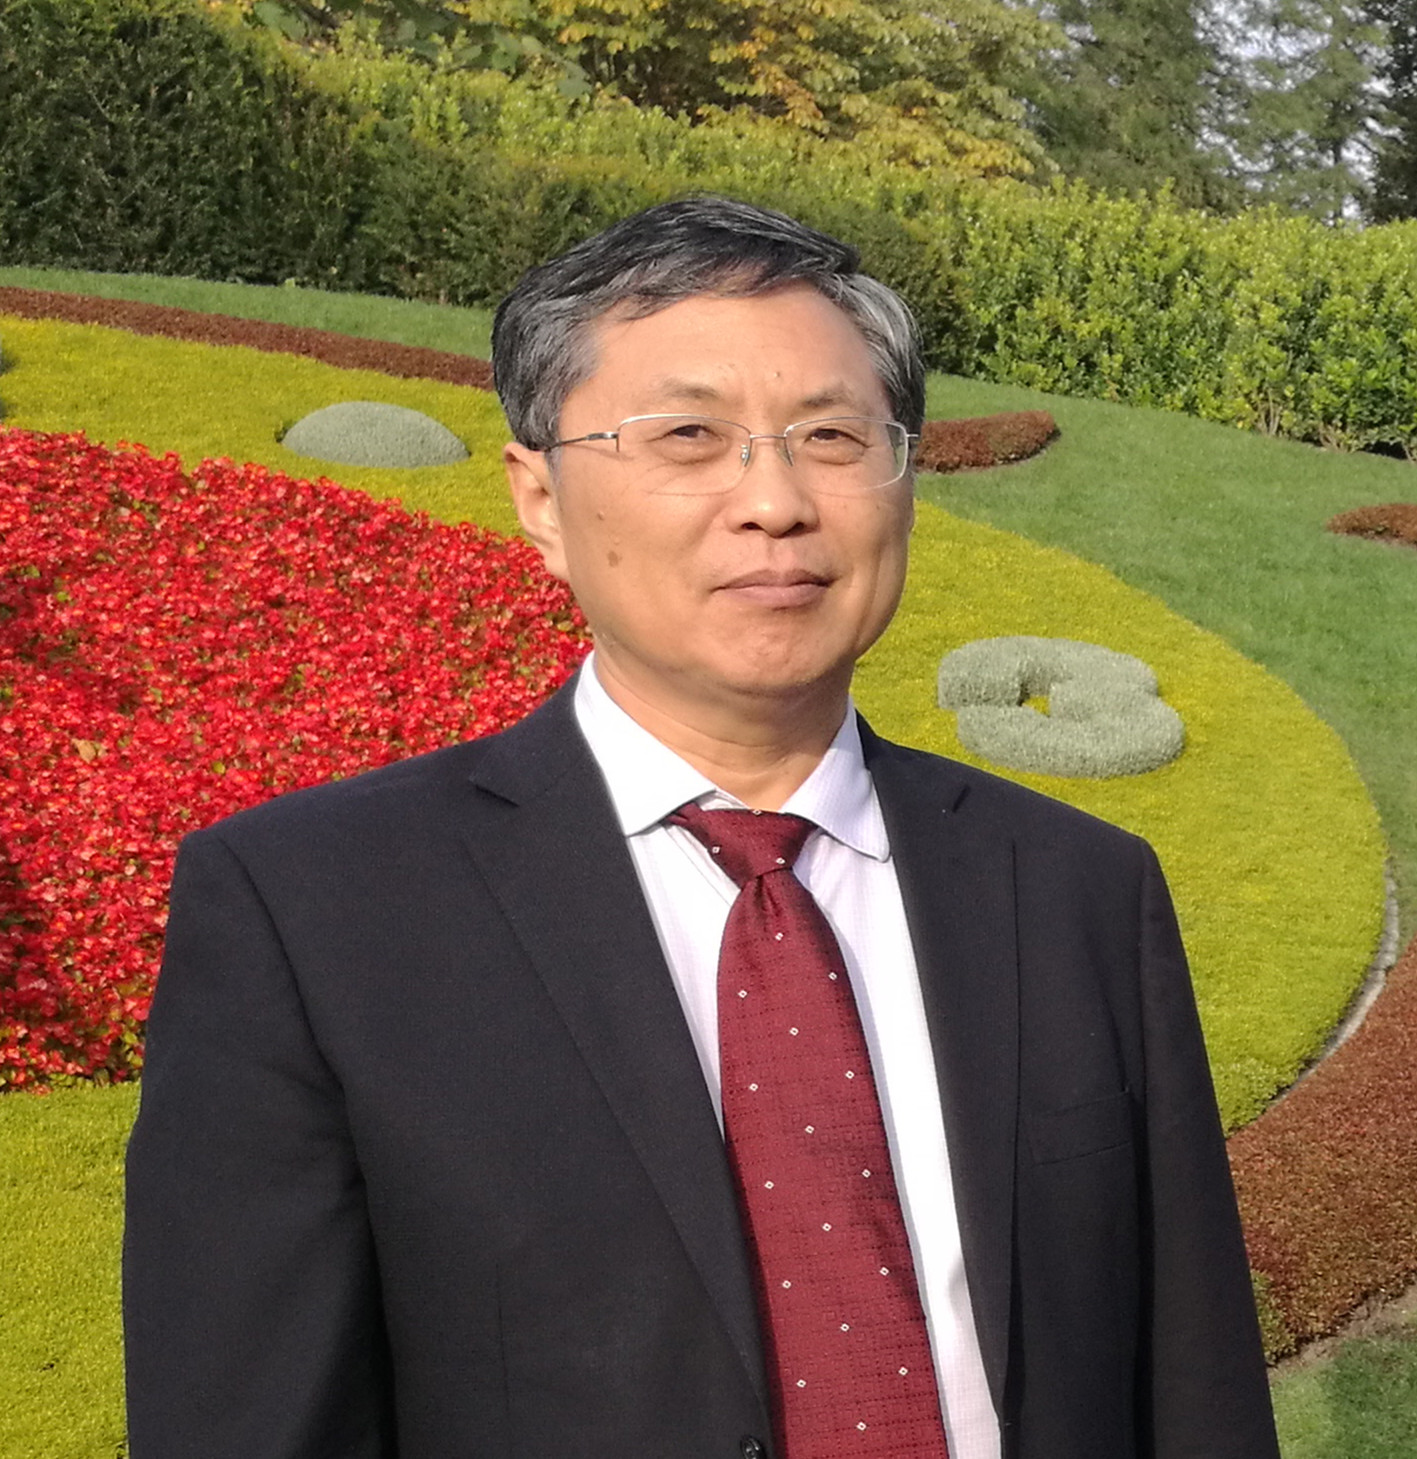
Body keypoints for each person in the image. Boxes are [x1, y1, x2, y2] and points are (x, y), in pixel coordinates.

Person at [123, 196, 1280, 1459]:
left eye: (832, 436)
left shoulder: (1073, 888)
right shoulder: (315, 911)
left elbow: (1193, 1390)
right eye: (688, 436)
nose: (774, 501)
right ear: (540, 496)